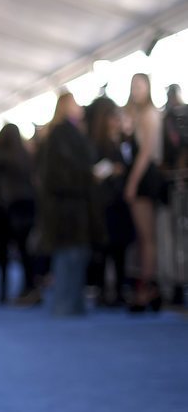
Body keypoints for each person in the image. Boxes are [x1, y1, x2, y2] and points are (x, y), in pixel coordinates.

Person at [37, 92, 102, 316]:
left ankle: (71, 305)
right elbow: (61, 174)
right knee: (69, 257)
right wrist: (89, 176)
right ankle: (65, 305)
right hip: (67, 209)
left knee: (75, 256)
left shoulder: (67, 133)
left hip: (71, 207)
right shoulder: (61, 134)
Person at [86, 96, 134, 306]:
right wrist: (111, 170)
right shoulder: (95, 143)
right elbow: (93, 173)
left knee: (120, 248)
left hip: (120, 202)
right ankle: (103, 290)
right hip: (104, 203)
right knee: (105, 248)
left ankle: (118, 289)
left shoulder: (122, 141)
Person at [123, 73, 165, 312]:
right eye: (133, 86)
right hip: (143, 177)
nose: (135, 90)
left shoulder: (149, 115)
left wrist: (132, 182)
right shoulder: (139, 116)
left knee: (147, 238)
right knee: (143, 237)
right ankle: (146, 287)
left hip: (145, 178)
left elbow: (146, 152)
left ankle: (146, 288)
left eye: (139, 86)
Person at [0, 123, 38, 302]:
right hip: (28, 204)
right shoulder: (24, 155)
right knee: (25, 250)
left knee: (3, 251)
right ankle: (30, 287)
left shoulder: (0, 156)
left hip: (9, 206)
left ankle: (3, 290)